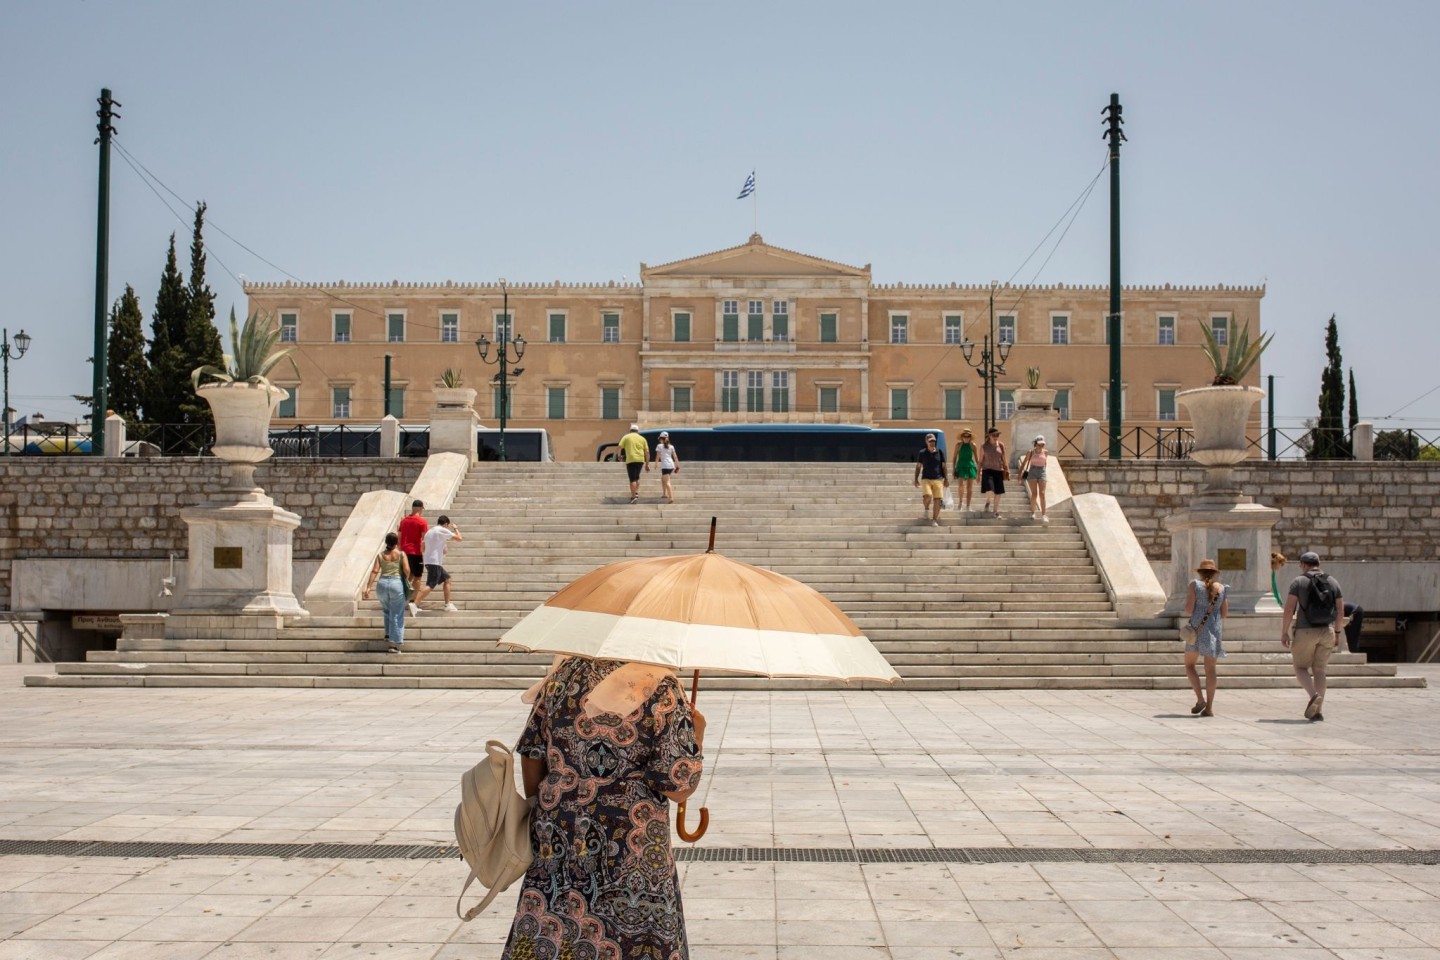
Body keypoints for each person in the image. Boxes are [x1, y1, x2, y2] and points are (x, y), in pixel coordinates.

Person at [502, 657, 705, 960]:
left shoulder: (563, 675)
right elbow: (678, 787)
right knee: (631, 938)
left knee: (555, 926)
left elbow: (531, 753)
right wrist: (697, 730)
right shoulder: (660, 686)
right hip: (630, 841)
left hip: (559, 831)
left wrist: (552, 806)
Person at [1281, 550, 1344, 721]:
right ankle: (1318, 710)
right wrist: (1337, 633)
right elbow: (1340, 611)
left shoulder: (1298, 581)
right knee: (1319, 669)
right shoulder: (1333, 581)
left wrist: (1284, 631)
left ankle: (1313, 696)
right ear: (1319, 563)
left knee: (1300, 667)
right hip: (1326, 630)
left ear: (1303, 564)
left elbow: (1289, 609)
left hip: (1304, 630)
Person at [1183, 558, 1229, 716]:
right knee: (1211, 669)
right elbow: (1224, 614)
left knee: (1189, 665)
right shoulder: (1222, 588)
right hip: (1214, 630)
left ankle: (1200, 699)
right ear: (1214, 573)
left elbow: (1189, 609)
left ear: (1200, 572)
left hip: (1196, 630)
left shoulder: (1195, 585)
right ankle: (1209, 708)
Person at [362, 532, 407, 653]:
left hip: (382, 585)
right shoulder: (401, 554)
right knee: (397, 613)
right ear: (396, 542)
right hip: (396, 584)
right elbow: (407, 571)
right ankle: (394, 643)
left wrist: (368, 587)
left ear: (386, 542)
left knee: (387, 611)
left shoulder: (380, 555)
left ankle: (388, 634)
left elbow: (375, 571)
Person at [413, 515, 462, 613]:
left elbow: (422, 547)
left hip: (430, 561)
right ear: (446, 524)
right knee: (431, 584)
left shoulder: (429, 532)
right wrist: (455, 529)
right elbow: (459, 538)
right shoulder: (441, 530)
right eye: (447, 526)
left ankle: (447, 604)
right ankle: (414, 604)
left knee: (447, 579)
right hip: (434, 561)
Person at [397, 499, 428, 617]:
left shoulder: (404, 520)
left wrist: (400, 550)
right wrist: (424, 551)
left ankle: (402, 597)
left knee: (407, 576)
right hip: (416, 552)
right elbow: (424, 539)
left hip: (404, 552)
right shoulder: (422, 521)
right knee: (418, 577)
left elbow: (399, 537)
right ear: (420, 509)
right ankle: (413, 601)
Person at [912, 432, 949, 526]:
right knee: (928, 496)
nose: (932, 443)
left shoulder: (940, 452)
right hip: (926, 479)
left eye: (933, 441)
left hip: (938, 479)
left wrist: (946, 479)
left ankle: (934, 520)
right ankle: (926, 509)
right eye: (930, 441)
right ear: (926, 442)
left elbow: (944, 466)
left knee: (937, 500)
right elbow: (918, 466)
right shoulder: (922, 453)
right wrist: (916, 479)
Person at [1018, 435, 1050, 523]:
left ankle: (1044, 514)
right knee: (1034, 494)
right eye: (1039, 444)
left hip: (1042, 472)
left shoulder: (1046, 452)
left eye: (1042, 445)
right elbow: (1024, 463)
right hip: (1032, 471)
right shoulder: (1031, 452)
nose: (1041, 446)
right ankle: (1033, 512)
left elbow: (1045, 463)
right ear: (1035, 444)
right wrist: (1019, 475)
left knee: (1042, 493)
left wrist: (1044, 472)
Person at [979, 428, 1009, 518]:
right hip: (987, 470)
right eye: (993, 435)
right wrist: (977, 474)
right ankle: (988, 500)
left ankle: (995, 512)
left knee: (998, 492)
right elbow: (980, 461)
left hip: (998, 470)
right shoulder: (984, 446)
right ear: (989, 436)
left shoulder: (1001, 445)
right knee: (990, 490)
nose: (996, 437)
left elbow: (1004, 458)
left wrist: (1007, 469)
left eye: (997, 435)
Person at [619, 423, 650, 504]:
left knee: (632, 479)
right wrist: (647, 464)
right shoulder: (642, 439)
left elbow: (619, 447)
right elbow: (647, 452)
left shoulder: (626, 437)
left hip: (631, 459)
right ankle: (636, 492)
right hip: (640, 460)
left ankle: (633, 497)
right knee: (637, 477)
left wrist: (619, 455)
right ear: (638, 431)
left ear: (630, 430)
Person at [951, 429, 980, 513]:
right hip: (960, 466)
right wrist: (953, 468)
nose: (966, 438)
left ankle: (968, 505)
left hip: (970, 466)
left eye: (968, 436)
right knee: (960, 486)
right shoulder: (958, 445)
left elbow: (977, 459)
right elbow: (954, 457)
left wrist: (979, 470)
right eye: (965, 436)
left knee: (969, 487)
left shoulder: (973, 445)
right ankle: (960, 502)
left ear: (970, 437)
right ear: (962, 437)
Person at [654, 431, 681, 503]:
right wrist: (677, 465)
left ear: (661, 439)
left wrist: (656, 464)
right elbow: (675, 456)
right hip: (671, 465)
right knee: (663, 479)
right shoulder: (671, 446)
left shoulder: (659, 446)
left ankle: (671, 497)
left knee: (667, 482)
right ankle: (664, 494)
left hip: (665, 466)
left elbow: (657, 456)